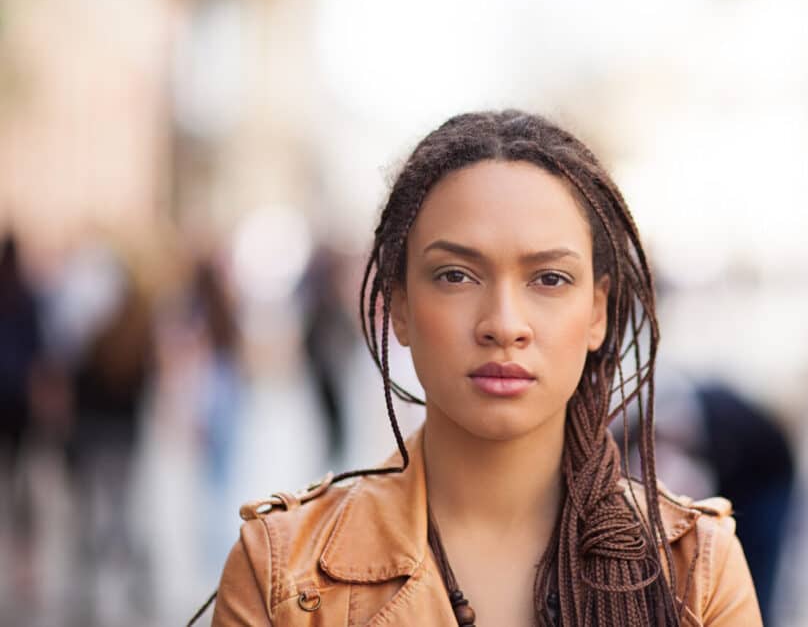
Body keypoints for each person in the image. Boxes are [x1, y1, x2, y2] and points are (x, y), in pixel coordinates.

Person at [203, 111, 761, 626]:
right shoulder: (281, 571)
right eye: (456, 275)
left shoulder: (697, 568)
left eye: (549, 279)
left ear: (598, 312)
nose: (504, 324)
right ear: (399, 305)